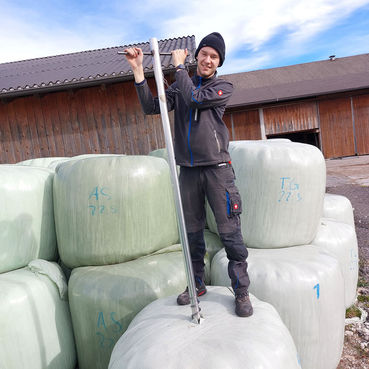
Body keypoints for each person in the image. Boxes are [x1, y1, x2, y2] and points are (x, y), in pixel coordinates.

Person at [124, 32, 252, 317]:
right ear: (198, 56)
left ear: (219, 63)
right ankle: (196, 285)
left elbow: (194, 99)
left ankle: (241, 290)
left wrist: (179, 68)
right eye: (204, 53)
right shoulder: (184, 85)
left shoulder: (222, 86)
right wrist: (138, 70)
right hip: (189, 173)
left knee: (230, 233)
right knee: (191, 234)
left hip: (218, 171)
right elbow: (151, 106)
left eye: (214, 57)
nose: (207, 60)